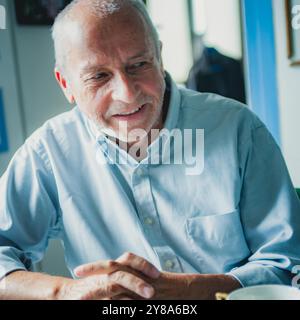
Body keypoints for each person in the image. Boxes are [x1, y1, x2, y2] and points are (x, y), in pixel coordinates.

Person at [0, 0, 299, 300]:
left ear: (159, 58)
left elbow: (287, 263)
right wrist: (65, 291)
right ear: (66, 83)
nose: (127, 94)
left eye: (139, 65)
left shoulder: (238, 129)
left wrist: (189, 290)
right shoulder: (48, 153)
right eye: (99, 76)